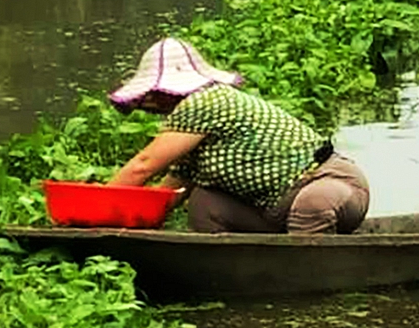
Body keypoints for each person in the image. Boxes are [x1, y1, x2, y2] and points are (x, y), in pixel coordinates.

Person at [106, 37, 370, 237]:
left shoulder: (203, 101)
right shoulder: (190, 138)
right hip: (273, 208)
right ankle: (234, 268)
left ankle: (312, 275)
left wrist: (98, 209)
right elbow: (169, 195)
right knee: (203, 203)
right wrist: (127, 223)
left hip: (331, 184)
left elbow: (143, 165)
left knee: (313, 204)